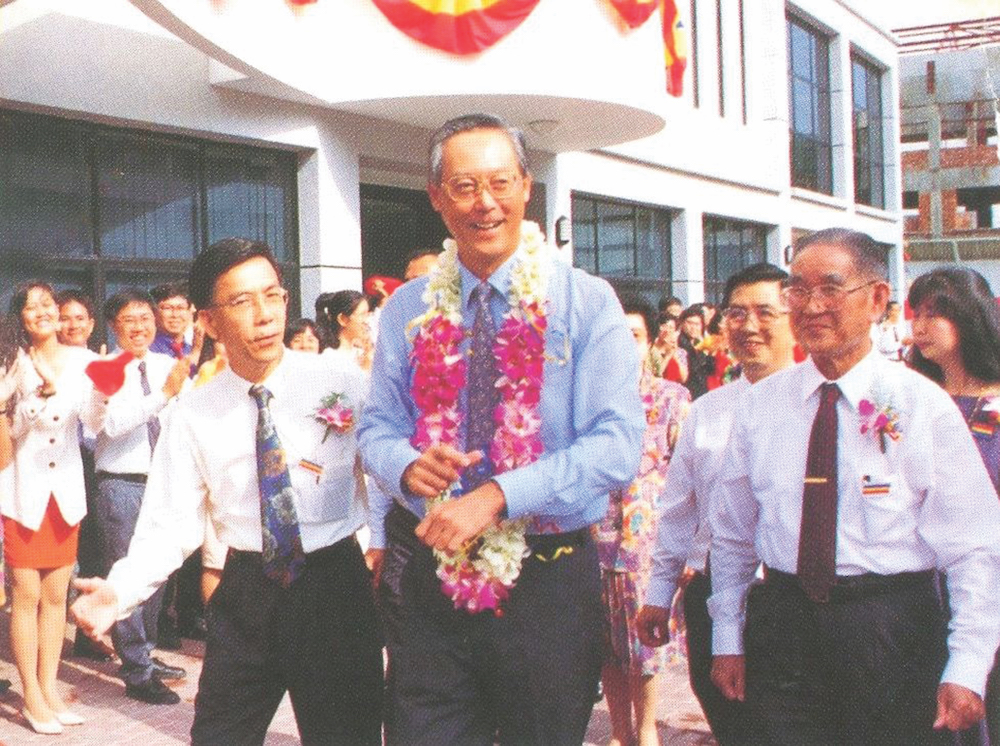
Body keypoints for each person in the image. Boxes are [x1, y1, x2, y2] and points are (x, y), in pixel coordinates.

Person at [359, 113, 645, 746]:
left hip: (547, 576)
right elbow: (376, 424)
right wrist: (405, 466)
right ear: (436, 197)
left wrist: (496, 497)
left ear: (525, 186)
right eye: (463, 186)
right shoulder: (408, 307)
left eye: (500, 182)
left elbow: (617, 443)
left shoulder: (587, 301)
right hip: (431, 571)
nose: (484, 203)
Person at [71, 238, 383, 745]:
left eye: (273, 296)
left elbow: (387, 469)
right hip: (247, 593)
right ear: (209, 322)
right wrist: (119, 591)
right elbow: (171, 523)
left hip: (335, 586)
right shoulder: (194, 411)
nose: (264, 315)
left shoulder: (341, 380)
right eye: (241, 302)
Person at [708, 229, 1000, 744]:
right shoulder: (761, 406)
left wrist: (968, 664)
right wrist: (727, 636)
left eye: (830, 289)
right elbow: (732, 533)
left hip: (891, 631)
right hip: (784, 626)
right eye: (798, 290)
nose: (812, 306)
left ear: (876, 300)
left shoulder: (920, 405)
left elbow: (973, 547)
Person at [638, 262, 797, 745]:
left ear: (795, 318)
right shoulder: (707, 411)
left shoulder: (817, 403)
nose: (749, 326)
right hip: (712, 593)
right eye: (735, 313)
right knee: (733, 727)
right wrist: (659, 594)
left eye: (765, 312)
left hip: (791, 599)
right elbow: (679, 510)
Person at [2, 282, 105, 734]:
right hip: (22, 493)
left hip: (64, 494)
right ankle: (31, 697)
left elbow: (98, 422)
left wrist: (105, 391)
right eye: (31, 306)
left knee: (56, 597)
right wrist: (34, 400)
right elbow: (7, 432)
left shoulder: (85, 360)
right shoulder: (11, 362)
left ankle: (48, 688)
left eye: (48, 304)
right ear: (19, 316)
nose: (42, 312)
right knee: (25, 597)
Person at [909, 266, 1000, 743]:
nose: (920, 327)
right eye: (915, 314)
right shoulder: (910, 401)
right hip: (924, 587)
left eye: (934, 314)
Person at [594, 295, 689, 746]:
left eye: (635, 336)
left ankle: (647, 729)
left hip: (647, 541)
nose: (626, 344)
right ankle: (618, 731)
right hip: (597, 534)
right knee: (608, 644)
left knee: (644, 645)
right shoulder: (591, 399)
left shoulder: (673, 398)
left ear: (650, 343)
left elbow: (689, 477)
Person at [95, 290, 190, 704]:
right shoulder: (103, 369)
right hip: (122, 483)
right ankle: (136, 670)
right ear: (114, 326)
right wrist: (163, 396)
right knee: (127, 572)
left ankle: (146, 653)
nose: (139, 326)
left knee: (157, 573)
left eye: (144, 318)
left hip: (163, 482)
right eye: (129, 320)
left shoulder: (169, 366)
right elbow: (113, 424)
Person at [56, 289, 111, 663]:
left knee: (95, 550)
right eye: (66, 317)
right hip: (59, 461)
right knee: (62, 552)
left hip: (95, 460)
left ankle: (88, 635)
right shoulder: (47, 361)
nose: (73, 324)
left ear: (91, 324)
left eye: (80, 317)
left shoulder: (100, 362)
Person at [315, 290, 373, 371]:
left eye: (368, 314)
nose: (367, 321)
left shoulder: (362, 354)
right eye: (362, 315)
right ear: (343, 319)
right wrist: (365, 368)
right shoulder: (330, 358)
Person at [678, 306, 712, 399]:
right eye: (689, 323)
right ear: (681, 323)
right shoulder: (680, 345)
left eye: (697, 324)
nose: (693, 327)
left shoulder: (700, 344)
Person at [651, 314, 688, 384]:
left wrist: (674, 355)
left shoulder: (680, 352)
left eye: (671, 327)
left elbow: (683, 379)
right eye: (664, 326)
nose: (667, 330)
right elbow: (655, 376)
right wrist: (668, 356)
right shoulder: (650, 349)